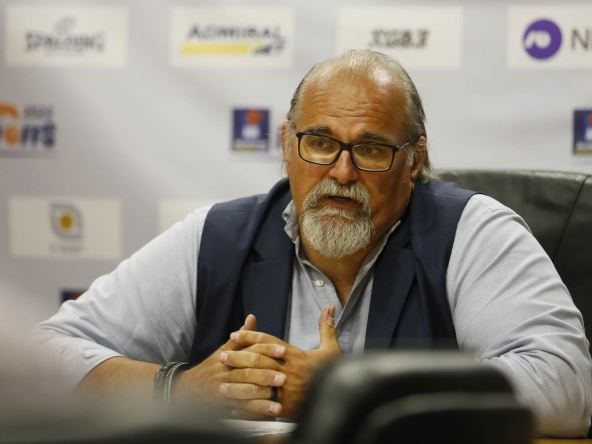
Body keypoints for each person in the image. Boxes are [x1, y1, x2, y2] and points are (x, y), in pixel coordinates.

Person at [35, 50, 591, 436]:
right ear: (287, 145)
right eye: (320, 143)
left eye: (371, 149)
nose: (342, 173)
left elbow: (568, 384)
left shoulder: (473, 232)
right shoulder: (218, 237)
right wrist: (179, 389)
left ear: (414, 160)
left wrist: (352, 390)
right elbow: (47, 354)